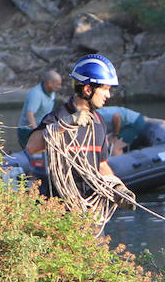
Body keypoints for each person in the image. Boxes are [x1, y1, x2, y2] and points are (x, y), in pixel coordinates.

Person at [25, 54, 135, 210]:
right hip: (62, 211)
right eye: (105, 89)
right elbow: (31, 146)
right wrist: (68, 123)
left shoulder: (98, 122)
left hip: (90, 212)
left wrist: (118, 187)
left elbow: (101, 166)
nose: (108, 95)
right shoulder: (58, 117)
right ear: (88, 89)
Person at [17, 69, 62, 148]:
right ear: (49, 83)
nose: (59, 87)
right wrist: (36, 133)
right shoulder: (36, 93)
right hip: (27, 131)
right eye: (57, 84)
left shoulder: (52, 92)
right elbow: (29, 115)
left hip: (42, 129)